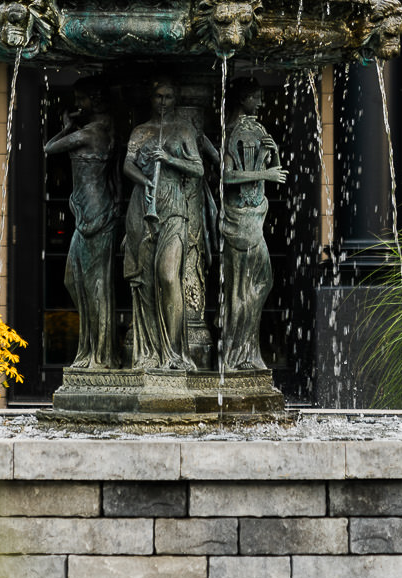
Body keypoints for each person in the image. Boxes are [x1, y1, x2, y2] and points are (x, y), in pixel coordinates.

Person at [122, 78, 215, 370]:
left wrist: (170, 159)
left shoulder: (183, 130)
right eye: (159, 96)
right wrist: (145, 179)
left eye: (169, 97)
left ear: (175, 99)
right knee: (146, 282)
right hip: (143, 206)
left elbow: (198, 168)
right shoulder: (141, 131)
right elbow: (127, 165)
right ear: (152, 99)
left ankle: (174, 351)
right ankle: (149, 352)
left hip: (175, 207)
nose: (164, 102)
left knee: (167, 276)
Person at [44, 86, 117, 370]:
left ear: (95, 100)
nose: (77, 103)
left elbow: (49, 148)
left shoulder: (90, 133)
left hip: (94, 214)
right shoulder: (103, 130)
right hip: (89, 210)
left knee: (93, 284)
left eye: (81, 98)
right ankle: (93, 348)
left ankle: (99, 354)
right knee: (74, 280)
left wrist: (65, 127)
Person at [220, 81, 287, 374]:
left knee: (256, 284)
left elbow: (274, 173)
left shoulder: (253, 130)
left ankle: (244, 350)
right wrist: (266, 172)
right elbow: (227, 176)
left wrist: (274, 154)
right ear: (244, 98)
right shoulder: (234, 131)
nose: (260, 103)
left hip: (253, 215)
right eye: (257, 98)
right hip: (242, 219)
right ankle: (237, 355)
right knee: (243, 287)